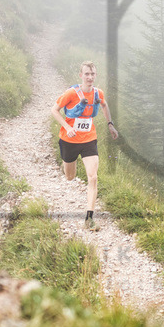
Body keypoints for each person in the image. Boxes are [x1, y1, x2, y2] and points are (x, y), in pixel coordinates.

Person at [51, 61, 118, 230]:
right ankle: (65, 165)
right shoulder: (71, 93)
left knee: (92, 177)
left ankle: (89, 218)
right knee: (70, 177)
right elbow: (54, 110)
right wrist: (67, 127)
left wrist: (110, 124)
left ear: (96, 75)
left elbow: (104, 104)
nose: (90, 77)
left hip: (89, 140)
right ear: (81, 75)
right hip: (69, 140)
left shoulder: (97, 93)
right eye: (87, 74)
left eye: (92, 74)